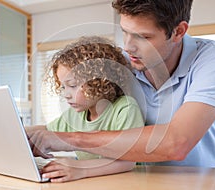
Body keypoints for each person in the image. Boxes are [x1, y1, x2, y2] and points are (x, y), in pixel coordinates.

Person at [28, 0, 215, 168]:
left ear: (179, 32)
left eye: (144, 36)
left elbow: (176, 143)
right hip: (143, 181)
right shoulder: (124, 64)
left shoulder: (212, 57)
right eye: (125, 32)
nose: (128, 46)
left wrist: (68, 139)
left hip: (204, 180)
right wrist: (20, 133)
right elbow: (67, 124)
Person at [32, 36, 145, 182]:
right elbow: (46, 129)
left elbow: (128, 162)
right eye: (63, 87)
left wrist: (80, 168)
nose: (66, 95)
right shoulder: (75, 115)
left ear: (99, 80)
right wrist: (16, 130)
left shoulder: (125, 109)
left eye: (72, 85)